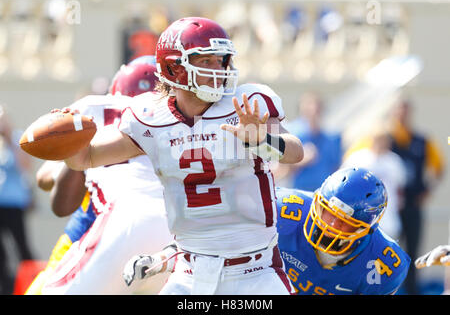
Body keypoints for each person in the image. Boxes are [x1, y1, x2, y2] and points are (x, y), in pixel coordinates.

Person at [57, 17, 303, 295]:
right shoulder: (150, 118)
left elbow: (294, 152)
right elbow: (85, 159)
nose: (218, 69)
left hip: (254, 273)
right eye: (206, 61)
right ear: (173, 67)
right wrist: (66, 139)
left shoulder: (245, 104)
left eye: (221, 60)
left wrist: (262, 141)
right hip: (189, 272)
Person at [124, 167, 410, 295]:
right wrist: (164, 258)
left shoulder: (384, 263)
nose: (329, 225)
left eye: (344, 223)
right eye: (326, 213)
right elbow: (216, 239)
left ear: (367, 230)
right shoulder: (284, 209)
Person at [31, 56, 174, 295]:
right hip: (113, 230)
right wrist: (82, 158)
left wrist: (81, 156)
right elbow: (46, 177)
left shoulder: (100, 114)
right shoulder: (180, 123)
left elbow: (48, 186)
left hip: (104, 228)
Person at [389, 98, 445, 295]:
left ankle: (412, 291)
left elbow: (439, 166)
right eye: (398, 110)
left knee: (413, 251)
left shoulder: (422, 140)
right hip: (390, 208)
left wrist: (428, 191)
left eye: (405, 110)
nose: (401, 115)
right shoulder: (385, 139)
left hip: (413, 204)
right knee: (388, 251)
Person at [341, 125, 407, 240]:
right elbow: (343, 182)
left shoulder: (393, 161)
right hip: (361, 214)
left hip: (388, 214)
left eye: (384, 140)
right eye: (378, 139)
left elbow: (400, 187)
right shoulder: (358, 157)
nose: (381, 143)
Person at [273, 92, 341, 191]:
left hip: (323, 193)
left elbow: (336, 168)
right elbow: (279, 169)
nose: (313, 109)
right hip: (297, 194)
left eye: (316, 106)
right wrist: (300, 159)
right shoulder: (289, 134)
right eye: (309, 105)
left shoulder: (332, 137)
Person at [0, 105, 34, 295]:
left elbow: (26, 167)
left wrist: (9, 138)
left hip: (14, 204)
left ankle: (31, 284)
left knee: (22, 247)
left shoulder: (16, 140)